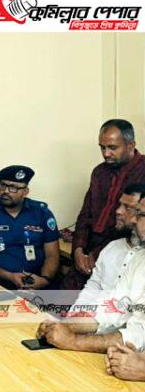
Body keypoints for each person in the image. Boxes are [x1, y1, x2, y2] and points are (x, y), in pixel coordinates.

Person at [37, 194, 145, 354]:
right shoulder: (137, 258)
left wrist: (74, 341)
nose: (134, 220)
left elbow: (139, 335)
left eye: (140, 214)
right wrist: (69, 325)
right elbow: (115, 308)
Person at [65, 119, 145, 290]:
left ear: (131, 145)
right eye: (102, 147)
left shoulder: (142, 171)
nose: (106, 153)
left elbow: (131, 223)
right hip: (89, 249)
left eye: (112, 148)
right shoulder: (99, 172)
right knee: (61, 299)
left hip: (123, 251)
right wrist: (78, 249)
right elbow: (85, 214)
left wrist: (97, 255)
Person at [0, 165, 60, 289]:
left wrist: (44, 279)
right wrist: (10, 276)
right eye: (2, 185)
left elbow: (52, 255)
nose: (6, 191)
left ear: (25, 192)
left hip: (37, 281)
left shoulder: (42, 213)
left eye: (13, 188)